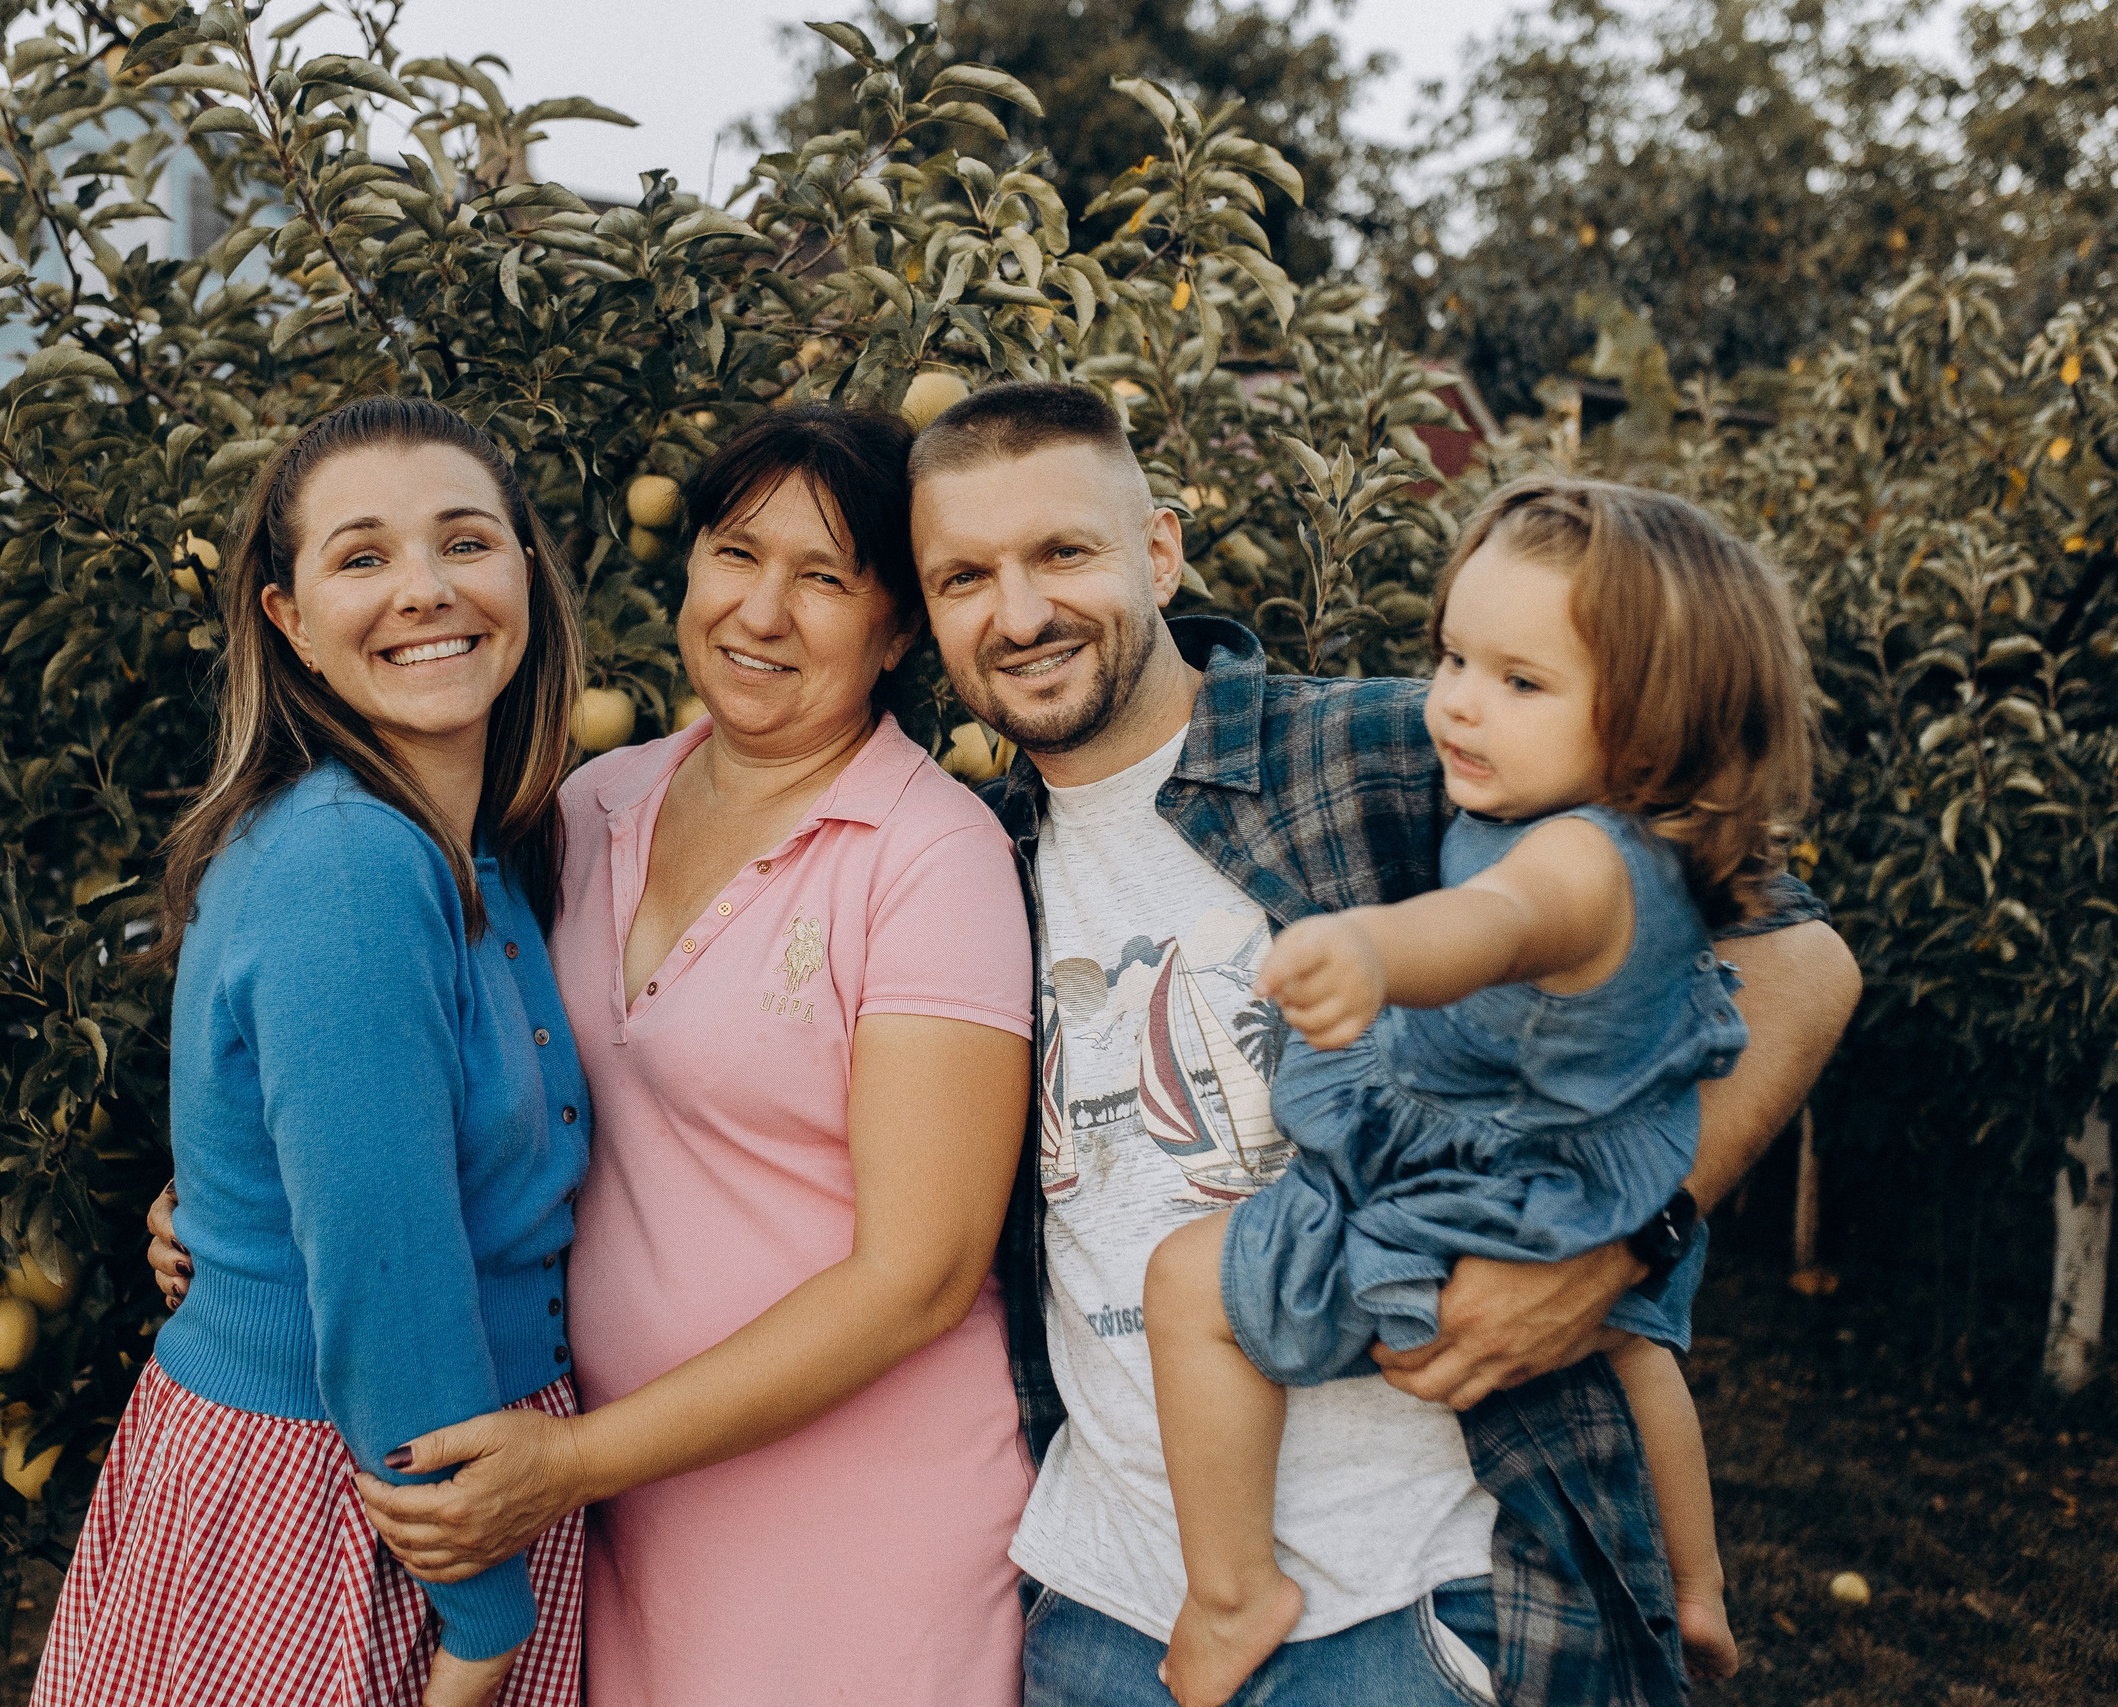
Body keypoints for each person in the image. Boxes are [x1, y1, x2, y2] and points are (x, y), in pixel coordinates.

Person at [906, 384, 1860, 1707]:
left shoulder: (1389, 743)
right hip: (1108, 1607)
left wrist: (1619, 1237)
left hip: (1421, 1601)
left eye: (1062, 552)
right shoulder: (957, 861)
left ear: (1161, 551)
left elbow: (1797, 957)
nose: (1017, 613)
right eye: (965, 575)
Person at [154, 405, 1038, 1705]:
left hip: (845, 1521)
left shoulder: (929, 855)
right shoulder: (584, 807)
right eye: (737, 554)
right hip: (610, 1517)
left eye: (826, 578)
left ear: (897, 624)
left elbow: (920, 1271)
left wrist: (573, 1462)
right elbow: (403, 1086)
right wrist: (237, 1210)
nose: (764, 611)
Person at [1141, 474, 1803, 1706]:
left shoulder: (1575, 863)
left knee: (1188, 1286)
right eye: (1452, 655)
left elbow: (1492, 923)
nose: (1456, 703)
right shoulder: (1622, 834)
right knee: (1633, 1342)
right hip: (1595, 1168)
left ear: (1654, 725)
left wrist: (1374, 954)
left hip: (1480, 1189)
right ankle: (1696, 1591)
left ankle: (1232, 1592)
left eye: (1520, 682)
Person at [38, 397, 593, 1707]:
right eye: (362, 556)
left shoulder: (484, 843)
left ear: (524, 569)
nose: (425, 589)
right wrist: (480, 1615)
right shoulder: (351, 858)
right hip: (360, 1503)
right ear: (286, 617)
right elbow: (384, 1263)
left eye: (466, 540)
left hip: (428, 1476)